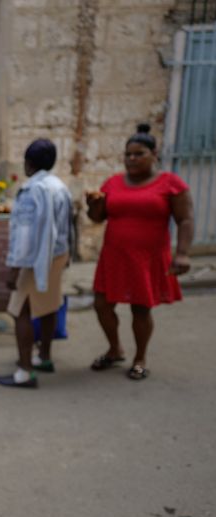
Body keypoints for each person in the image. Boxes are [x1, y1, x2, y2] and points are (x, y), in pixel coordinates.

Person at [86, 124, 194, 380]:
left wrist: (182, 254)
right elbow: (97, 218)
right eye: (128, 155)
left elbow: (186, 220)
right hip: (114, 257)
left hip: (147, 258)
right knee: (101, 304)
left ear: (154, 154)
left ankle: (140, 357)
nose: (132, 159)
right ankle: (115, 349)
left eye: (139, 154)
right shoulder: (112, 183)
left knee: (140, 309)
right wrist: (93, 205)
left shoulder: (171, 183)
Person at [0, 138, 72, 388]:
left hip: (34, 259)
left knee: (21, 311)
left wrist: (14, 269)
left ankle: (25, 371)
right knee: (48, 307)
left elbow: (25, 236)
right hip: (57, 255)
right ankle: (44, 356)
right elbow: (70, 225)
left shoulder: (32, 190)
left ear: (29, 163)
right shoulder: (59, 186)